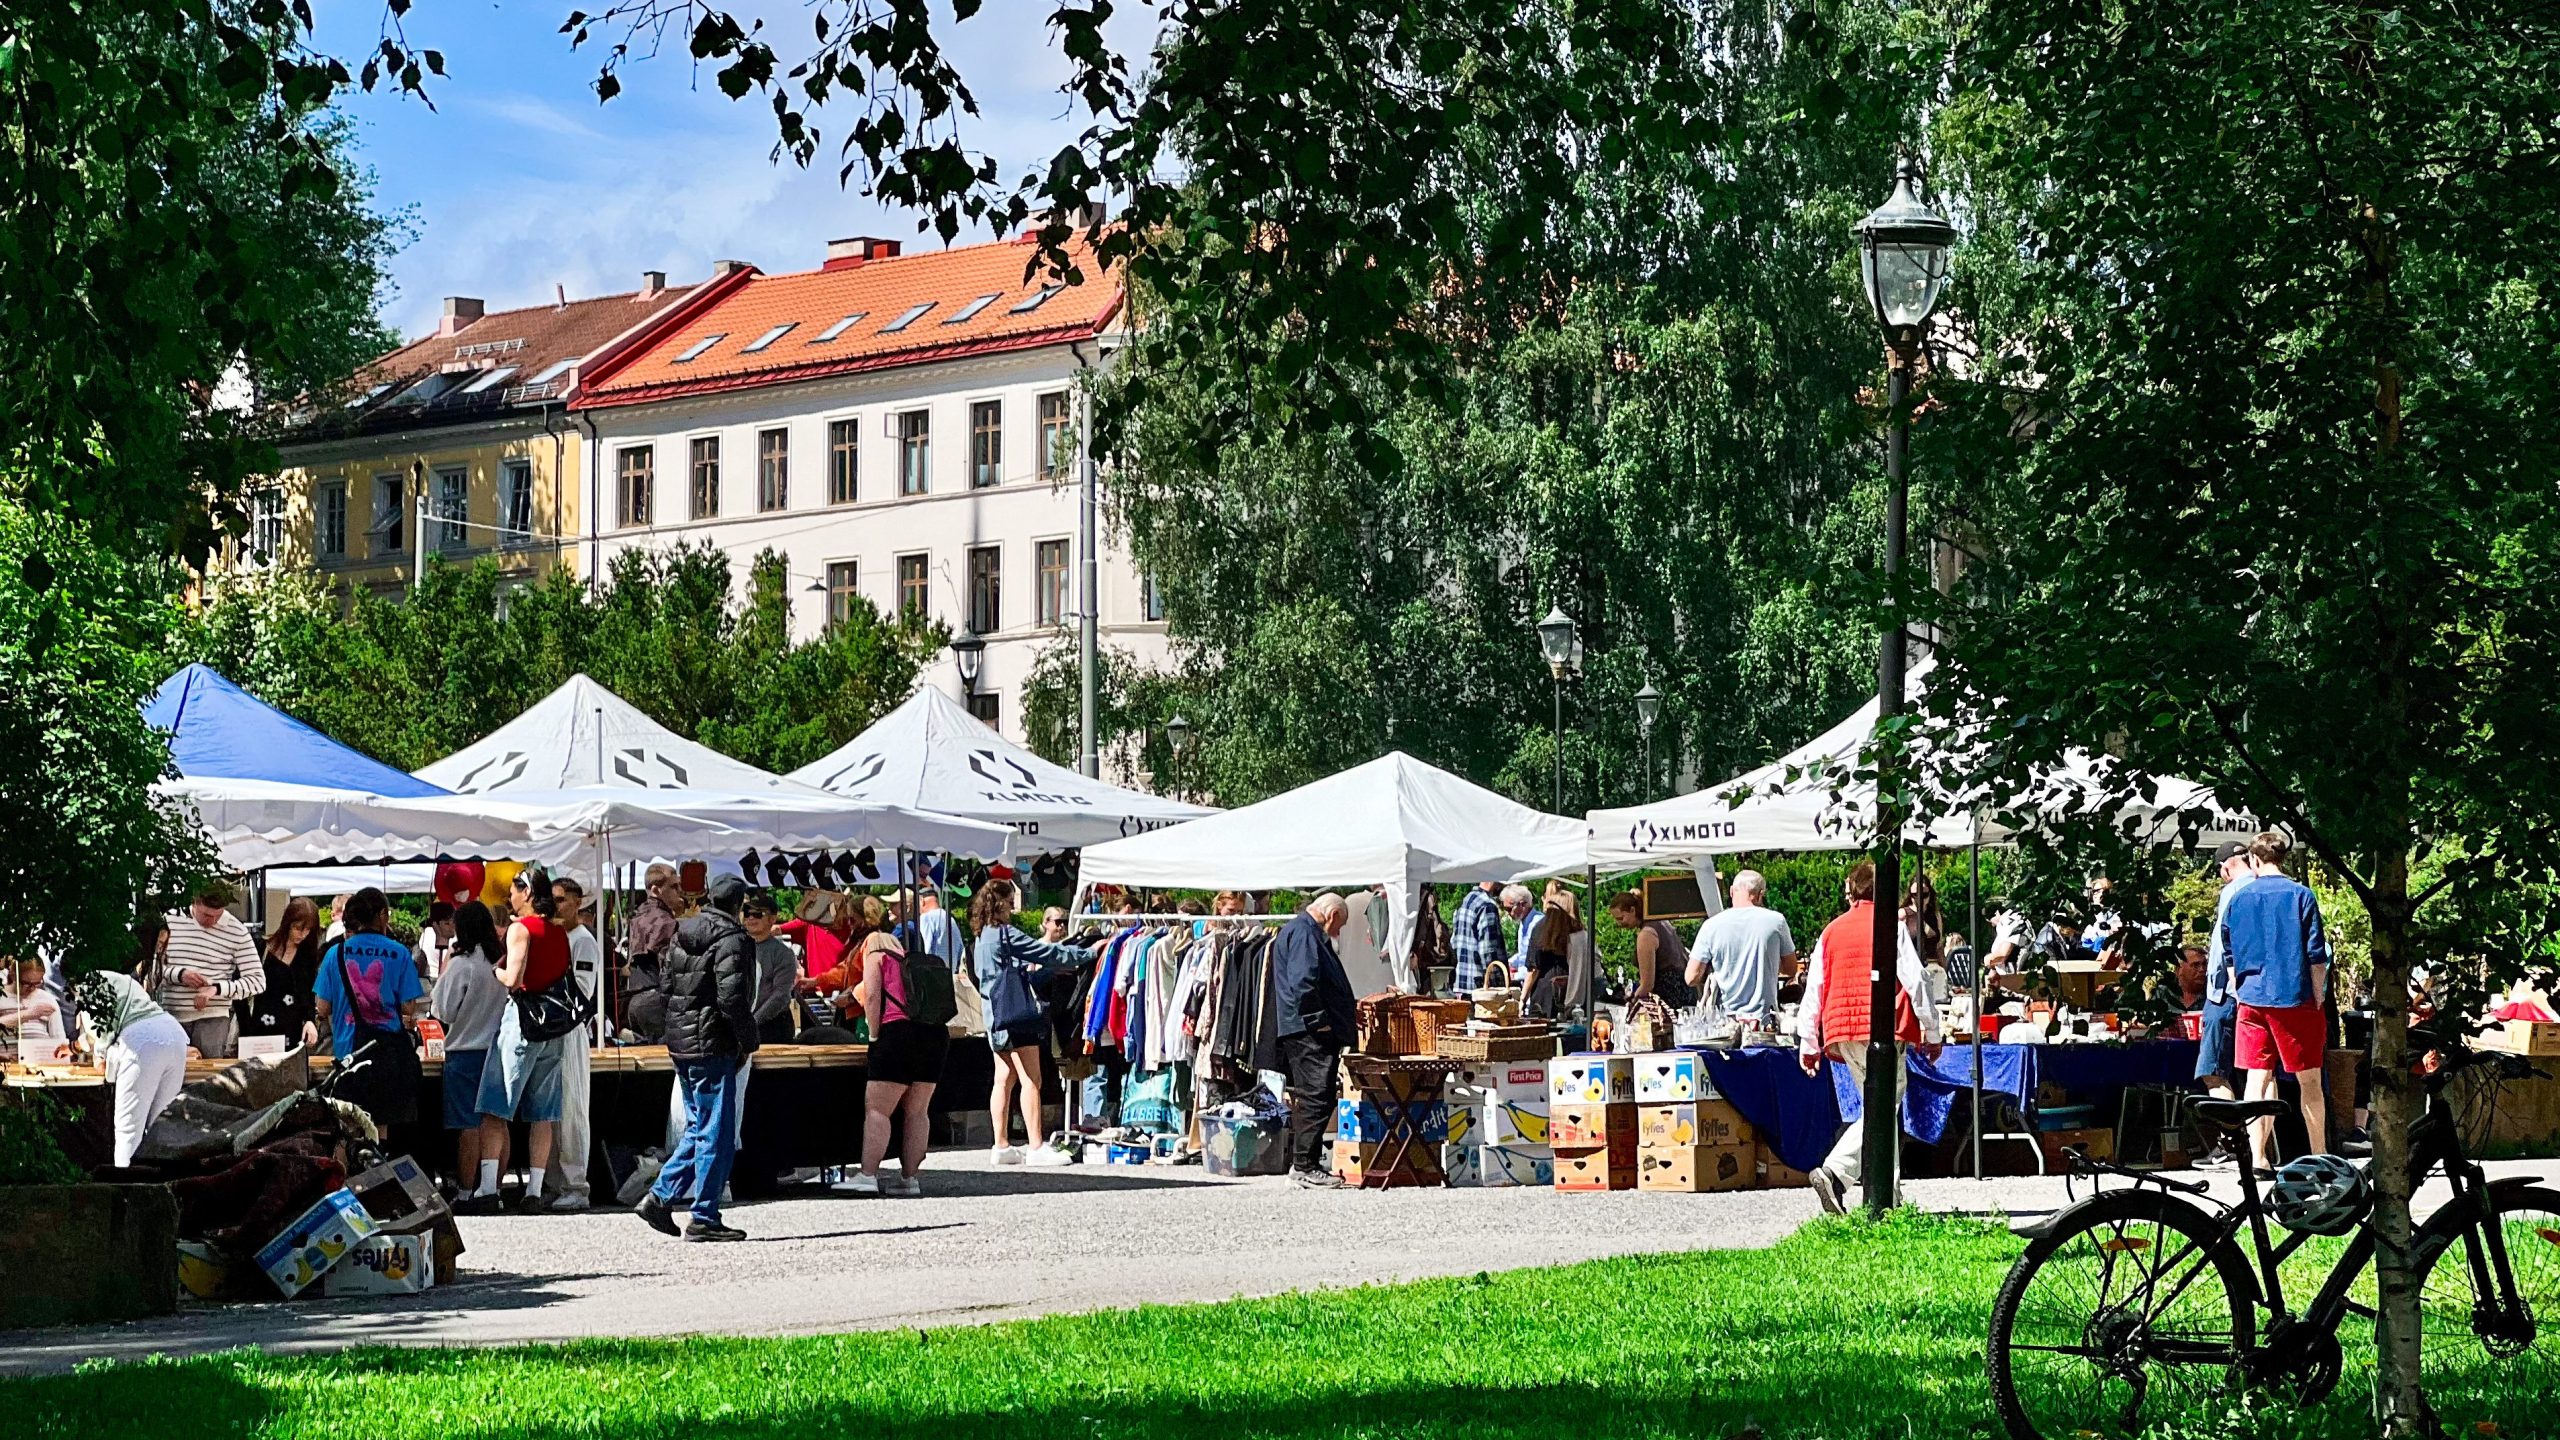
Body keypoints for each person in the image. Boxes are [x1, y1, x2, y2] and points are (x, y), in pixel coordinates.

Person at [1797, 860, 1942, 1214]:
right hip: (1882, 1026)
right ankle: (1837, 1172)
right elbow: (1917, 980)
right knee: (1883, 1107)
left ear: (1853, 892)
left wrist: (1808, 1041)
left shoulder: (1830, 931)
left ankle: (1887, 1198)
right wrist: (1932, 1029)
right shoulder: (1889, 926)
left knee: (1880, 1108)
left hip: (1841, 1027)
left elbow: (1815, 987)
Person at [638, 874, 759, 1242]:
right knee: (716, 1131)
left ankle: (661, 1197)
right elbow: (733, 998)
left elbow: (666, 989)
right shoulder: (733, 939)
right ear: (738, 905)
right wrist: (748, 1041)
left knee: (698, 1126)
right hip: (713, 1042)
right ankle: (703, 1214)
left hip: (682, 1042)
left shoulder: (681, 932)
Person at [2223, 831, 2331, 1166]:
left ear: (2254, 860)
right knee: (2309, 1082)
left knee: (2257, 1079)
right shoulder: (2302, 895)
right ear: (2282, 858)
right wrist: (2318, 997)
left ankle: (2258, 1157)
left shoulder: (2238, 899)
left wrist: (2240, 993)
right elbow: (2316, 955)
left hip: (2252, 999)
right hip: (2294, 997)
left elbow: (2230, 954)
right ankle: (2319, 1153)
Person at [470, 868, 571, 1211]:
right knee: (543, 1113)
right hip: (553, 1025)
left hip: (522, 1021)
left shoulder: (519, 929)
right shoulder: (559, 931)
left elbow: (513, 978)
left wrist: (494, 970)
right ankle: (535, 1191)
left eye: (513, 891)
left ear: (525, 893)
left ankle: (487, 1191)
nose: (509, 897)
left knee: (495, 1107)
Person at [972, 879, 1091, 1165]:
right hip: (1017, 1015)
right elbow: (1046, 952)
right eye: (1010, 900)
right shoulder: (1004, 933)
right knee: (1031, 1080)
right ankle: (1036, 1146)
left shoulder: (981, 936)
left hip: (994, 1015)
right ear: (999, 902)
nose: (1013, 906)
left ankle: (1000, 1145)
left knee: (1003, 1079)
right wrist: (1088, 953)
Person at [839, 895, 942, 1196]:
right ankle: (910, 1179)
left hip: (897, 1034)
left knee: (878, 1110)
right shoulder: (913, 961)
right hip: (933, 1036)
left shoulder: (876, 957)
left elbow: (872, 997)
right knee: (917, 1111)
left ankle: (868, 1174)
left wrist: (874, 1035)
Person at [73, 922, 193, 1167]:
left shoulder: (89, 984)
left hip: (144, 1041)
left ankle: (125, 1189)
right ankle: (166, 1180)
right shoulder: (123, 980)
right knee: (163, 1125)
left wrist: (97, 1054)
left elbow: (101, 1033)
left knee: (129, 1127)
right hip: (173, 1034)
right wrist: (77, 1046)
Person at [310, 887, 427, 1128]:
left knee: (347, 1128)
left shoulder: (336, 953)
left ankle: (346, 1166)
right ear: (382, 915)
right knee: (379, 1127)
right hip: (388, 1057)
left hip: (349, 1055)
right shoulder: (400, 953)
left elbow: (322, 1007)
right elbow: (408, 1007)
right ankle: (377, 1164)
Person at [1274, 893, 1357, 1188]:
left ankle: (1305, 1162)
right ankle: (1304, 1166)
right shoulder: (1305, 933)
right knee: (1316, 1095)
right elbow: (1303, 982)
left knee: (1316, 1095)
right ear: (1332, 915)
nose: (1338, 932)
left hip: (1305, 1029)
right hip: (1308, 1033)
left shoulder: (1300, 931)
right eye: (1340, 925)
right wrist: (1320, 1023)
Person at [435, 902, 509, 1206]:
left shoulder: (461, 964)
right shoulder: (501, 961)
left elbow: (444, 1010)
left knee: (469, 1126)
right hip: (499, 1050)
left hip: (465, 1050)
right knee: (497, 1123)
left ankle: (465, 1191)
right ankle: (495, 1188)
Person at [544, 875, 604, 1212]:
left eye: (561, 900)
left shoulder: (583, 941)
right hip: (549, 1030)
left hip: (568, 1029)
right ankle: (555, 1181)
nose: (555, 907)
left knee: (571, 1109)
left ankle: (576, 1184)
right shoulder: (553, 937)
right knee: (551, 1110)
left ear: (577, 903)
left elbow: (582, 989)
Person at [156, 879, 264, 1058]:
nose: (212, 921)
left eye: (218, 915)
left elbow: (257, 981)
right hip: (172, 1014)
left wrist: (216, 988)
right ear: (194, 902)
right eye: (206, 915)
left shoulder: (237, 931)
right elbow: (153, 969)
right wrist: (179, 975)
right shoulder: (171, 921)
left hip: (213, 1017)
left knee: (207, 1077)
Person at [1690, 869, 1798, 1025]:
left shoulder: (1711, 926)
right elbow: (1791, 969)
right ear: (1761, 894)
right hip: (1764, 1020)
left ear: (1732, 891)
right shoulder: (1776, 921)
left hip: (1725, 1021)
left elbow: (1691, 977)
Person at [239, 897, 322, 1050]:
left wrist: (310, 1020)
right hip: (257, 1031)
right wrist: (245, 1027)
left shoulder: (307, 957)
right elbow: (241, 988)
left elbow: (308, 994)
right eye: (298, 928)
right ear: (287, 923)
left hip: (292, 1031)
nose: (302, 934)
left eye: (308, 930)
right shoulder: (260, 948)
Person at [621, 863, 683, 1040]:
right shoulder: (665, 922)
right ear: (656, 890)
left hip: (634, 1001)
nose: (679, 891)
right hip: (656, 1001)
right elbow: (669, 969)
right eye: (673, 886)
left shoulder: (638, 917)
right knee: (664, 1062)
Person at [1608, 891, 1697, 1011]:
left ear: (1633, 910)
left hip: (1669, 998)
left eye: (1621, 918)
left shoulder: (1646, 935)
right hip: (1686, 992)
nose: (1618, 923)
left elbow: (1647, 985)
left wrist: (1631, 1004)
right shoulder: (1662, 922)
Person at [744, 889, 799, 1045]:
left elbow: (781, 995)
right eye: (747, 913)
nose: (751, 918)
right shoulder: (735, 948)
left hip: (773, 1027)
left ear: (772, 919)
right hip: (742, 1026)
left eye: (758, 914)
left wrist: (753, 1021)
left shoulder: (783, 953)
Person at [1519, 882, 1579, 1018]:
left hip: (1544, 993)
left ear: (1545, 899)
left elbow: (1534, 968)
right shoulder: (1576, 927)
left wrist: (1522, 998)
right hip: (1570, 988)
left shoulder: (1541, 928)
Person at [1, 954, 65, 1064]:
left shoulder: (47, 999)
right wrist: (29, 1014)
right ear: (13, 975)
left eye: (37, 983)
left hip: (39, 1064)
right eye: (27, 983)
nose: (32, 988)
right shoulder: (2, 996)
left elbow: (59, 1042)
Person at [1450, 881, 1506, 995]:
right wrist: (1498, 987)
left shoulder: (1464, 902)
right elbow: (1488, 951)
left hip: (1460, 982)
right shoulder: (1487, 905)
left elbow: (1454, 941)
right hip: (1479, 988)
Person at [911, 886, 966, 969]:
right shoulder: (950, 919)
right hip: (950, 974)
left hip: (934, 973)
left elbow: (926, 948)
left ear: (922, 901)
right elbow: (961, 950)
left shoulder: (926, 918)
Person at [1499, 884, 1538, 981]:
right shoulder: (1523, 922)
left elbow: (1536, 962)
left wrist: (1515, 976)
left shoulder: (1537, 924)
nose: (1508, 913)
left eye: (1509, 909)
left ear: (1523, 904)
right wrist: (1510, 963)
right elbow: (1523, 954)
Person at [413, 901, 457, 985]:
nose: (452, 927)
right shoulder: (453, 939)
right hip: (443, 978)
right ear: (436, 924)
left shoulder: (426, 933)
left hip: (428, 977)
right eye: (447, 923)